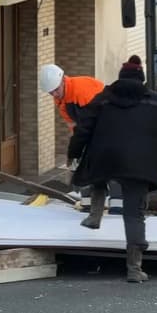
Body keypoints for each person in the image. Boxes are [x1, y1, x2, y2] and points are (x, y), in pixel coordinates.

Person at [68, 55, 157, 283]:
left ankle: (94, 216)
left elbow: (83, 129)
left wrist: (74, 153)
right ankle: (134, 269)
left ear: (120, 78)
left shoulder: (103, 99)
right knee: (134, 214)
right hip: (141, 164)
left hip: (105, 158)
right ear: (143, 79)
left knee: (98, 175)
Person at [38, 64, 123, 214]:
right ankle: (88, 203)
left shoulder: (82, 90)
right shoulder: (61, 100)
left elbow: (99, 118)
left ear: (63, 80)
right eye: (51, 93)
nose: (55, 94)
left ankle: (118, 206)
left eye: (56, 90)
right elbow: (74, 126)